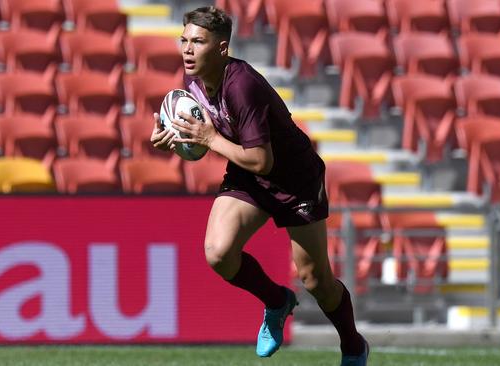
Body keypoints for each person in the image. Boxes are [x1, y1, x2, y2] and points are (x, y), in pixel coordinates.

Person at [150, 6, 369, 365]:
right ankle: (277, 301)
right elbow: (206, 149)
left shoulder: (243, 86)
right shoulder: (194, 83)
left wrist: (207, 137)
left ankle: (352, 344)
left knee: (315, 281)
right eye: (184, 40)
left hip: (294, 180)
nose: (187, 49)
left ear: (221, 49)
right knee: (218, 254)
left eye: (198, 42)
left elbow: (262, 160)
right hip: (248, 174)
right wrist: (176, 140)